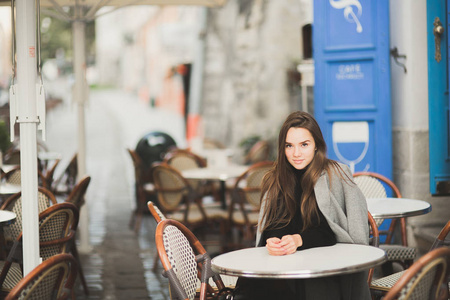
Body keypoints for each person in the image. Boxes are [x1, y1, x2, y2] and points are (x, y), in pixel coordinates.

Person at [228, 111, 370, 300]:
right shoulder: (275, 179)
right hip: (283, 269)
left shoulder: (336, 175)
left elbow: (334, 232)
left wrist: (298, 240)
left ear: (316, 146)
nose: (296, 153)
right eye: (289, 146)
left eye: (304, 145)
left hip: (325, 271)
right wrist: (272, 241)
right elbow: (273, 225)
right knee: (252, 287)